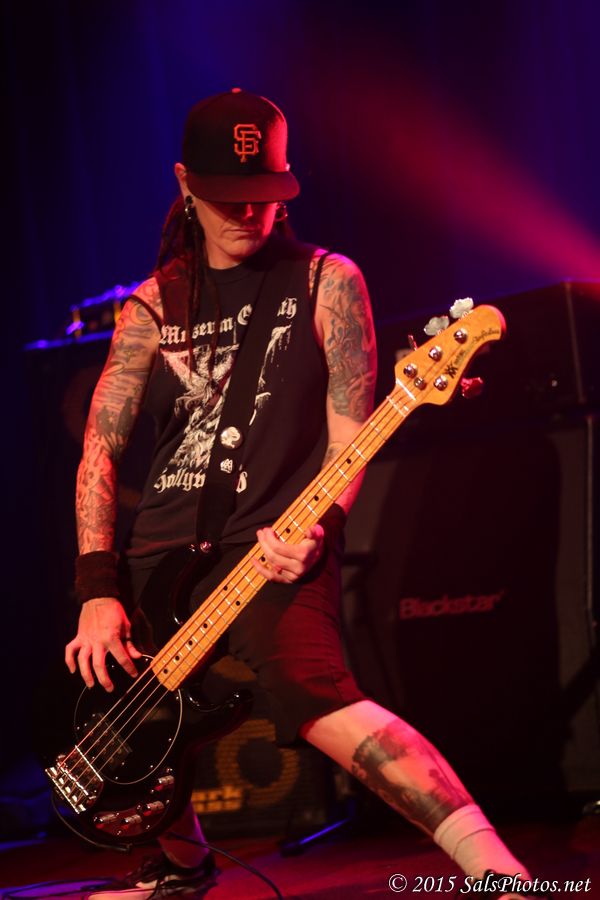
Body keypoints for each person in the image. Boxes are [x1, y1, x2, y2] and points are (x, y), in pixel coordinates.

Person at [65, 89, 547, 900]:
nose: (248, 212)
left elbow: (348, 437)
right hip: (161, 551)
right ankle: (183, 869)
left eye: (264, 194)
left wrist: (319, 528)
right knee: (132, 711)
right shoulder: (151, 305)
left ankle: (498, 874)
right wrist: (96, 590)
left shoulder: (327, 280)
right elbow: (99, 453)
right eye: (228, 196)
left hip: (276, 546)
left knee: (317, 697)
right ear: (185, 183)